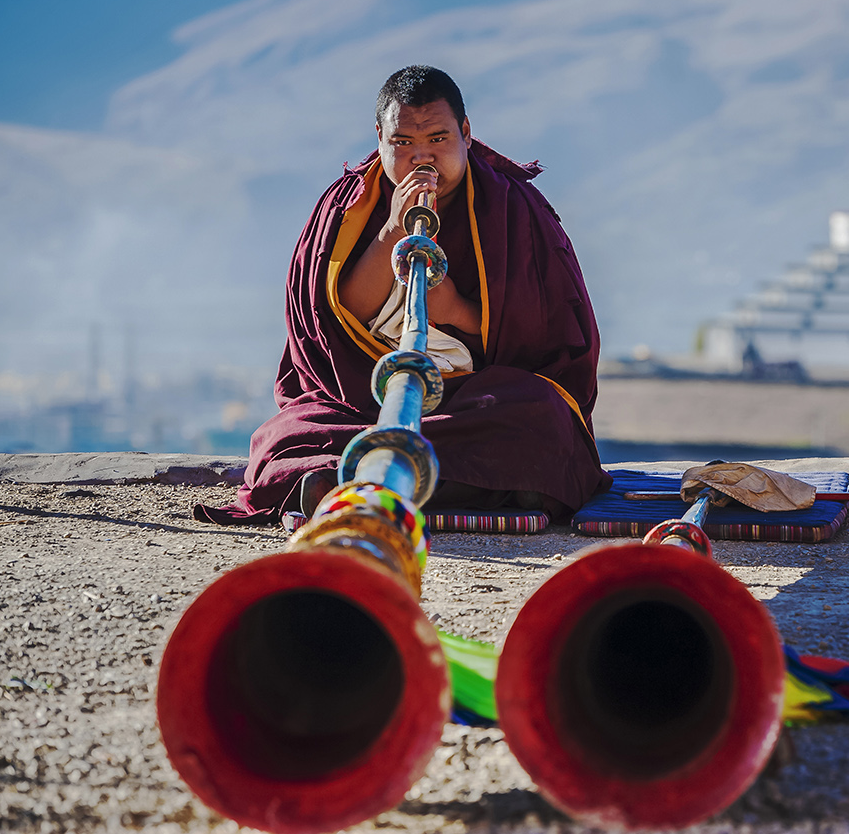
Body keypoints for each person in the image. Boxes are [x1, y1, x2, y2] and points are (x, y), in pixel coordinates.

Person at [196, 65, 611, 525]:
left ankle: (357, 483)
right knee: (288, 436)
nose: (421, 159)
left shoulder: (514, 207)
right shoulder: (346, 206)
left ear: (466, 133)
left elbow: (551, 332)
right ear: (379, 137)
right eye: (402, 143)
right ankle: (474, 486)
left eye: (437, 139)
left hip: (472, 399)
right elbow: (326, 324)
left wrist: (456, 310)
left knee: (543, 420)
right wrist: (391, 229)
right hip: (362, 399)